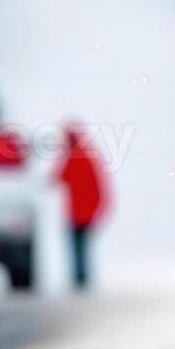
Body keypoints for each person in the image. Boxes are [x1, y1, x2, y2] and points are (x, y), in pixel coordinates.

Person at [57, 121, 107, 291]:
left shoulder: (75, 156)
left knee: (78, 247)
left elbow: (59, 176)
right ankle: (81, 279)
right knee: (82, 247)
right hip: (85, 212)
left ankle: (80, 280)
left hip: (79, 213)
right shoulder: (87, 155)